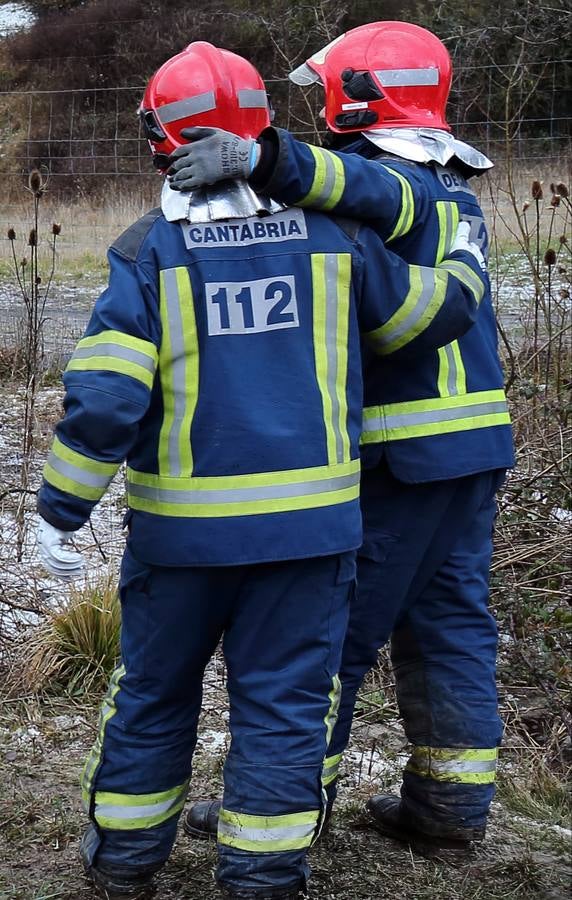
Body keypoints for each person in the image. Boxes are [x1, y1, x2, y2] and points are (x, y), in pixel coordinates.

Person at [35, 40, 487, 900]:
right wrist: (463, 251)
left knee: (153, 696)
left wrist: (61, 507)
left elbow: (105, 397)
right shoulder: (337, 239)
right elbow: (420, 320)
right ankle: (264, 874)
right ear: (264, 127)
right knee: (285, 705)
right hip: (310, 537)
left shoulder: (147, 251)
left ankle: (125, 864)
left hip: (179, 540)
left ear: (160, 137)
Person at [168, 21, 515, 857]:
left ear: (352, 99)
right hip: (473, 453)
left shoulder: (390, 184)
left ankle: (290, 804)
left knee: (332, 636)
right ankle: (449, 810)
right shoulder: (451, 186)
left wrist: (261, 158)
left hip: (401, 457)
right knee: (451, 624)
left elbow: (348, 185)